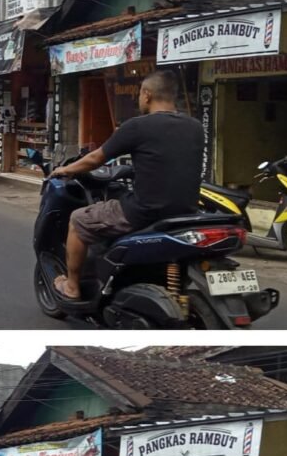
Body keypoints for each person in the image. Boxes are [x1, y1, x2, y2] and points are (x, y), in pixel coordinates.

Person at [51, 70, 204, 301]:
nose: (139, 99)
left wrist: (66, 169)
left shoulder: (137, 126)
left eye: (140, 94)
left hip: (144, 212)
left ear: (147, 94)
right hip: (186, 213)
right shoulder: (195, 127)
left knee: (78, 219)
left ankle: (72, 286)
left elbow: (96, 158)